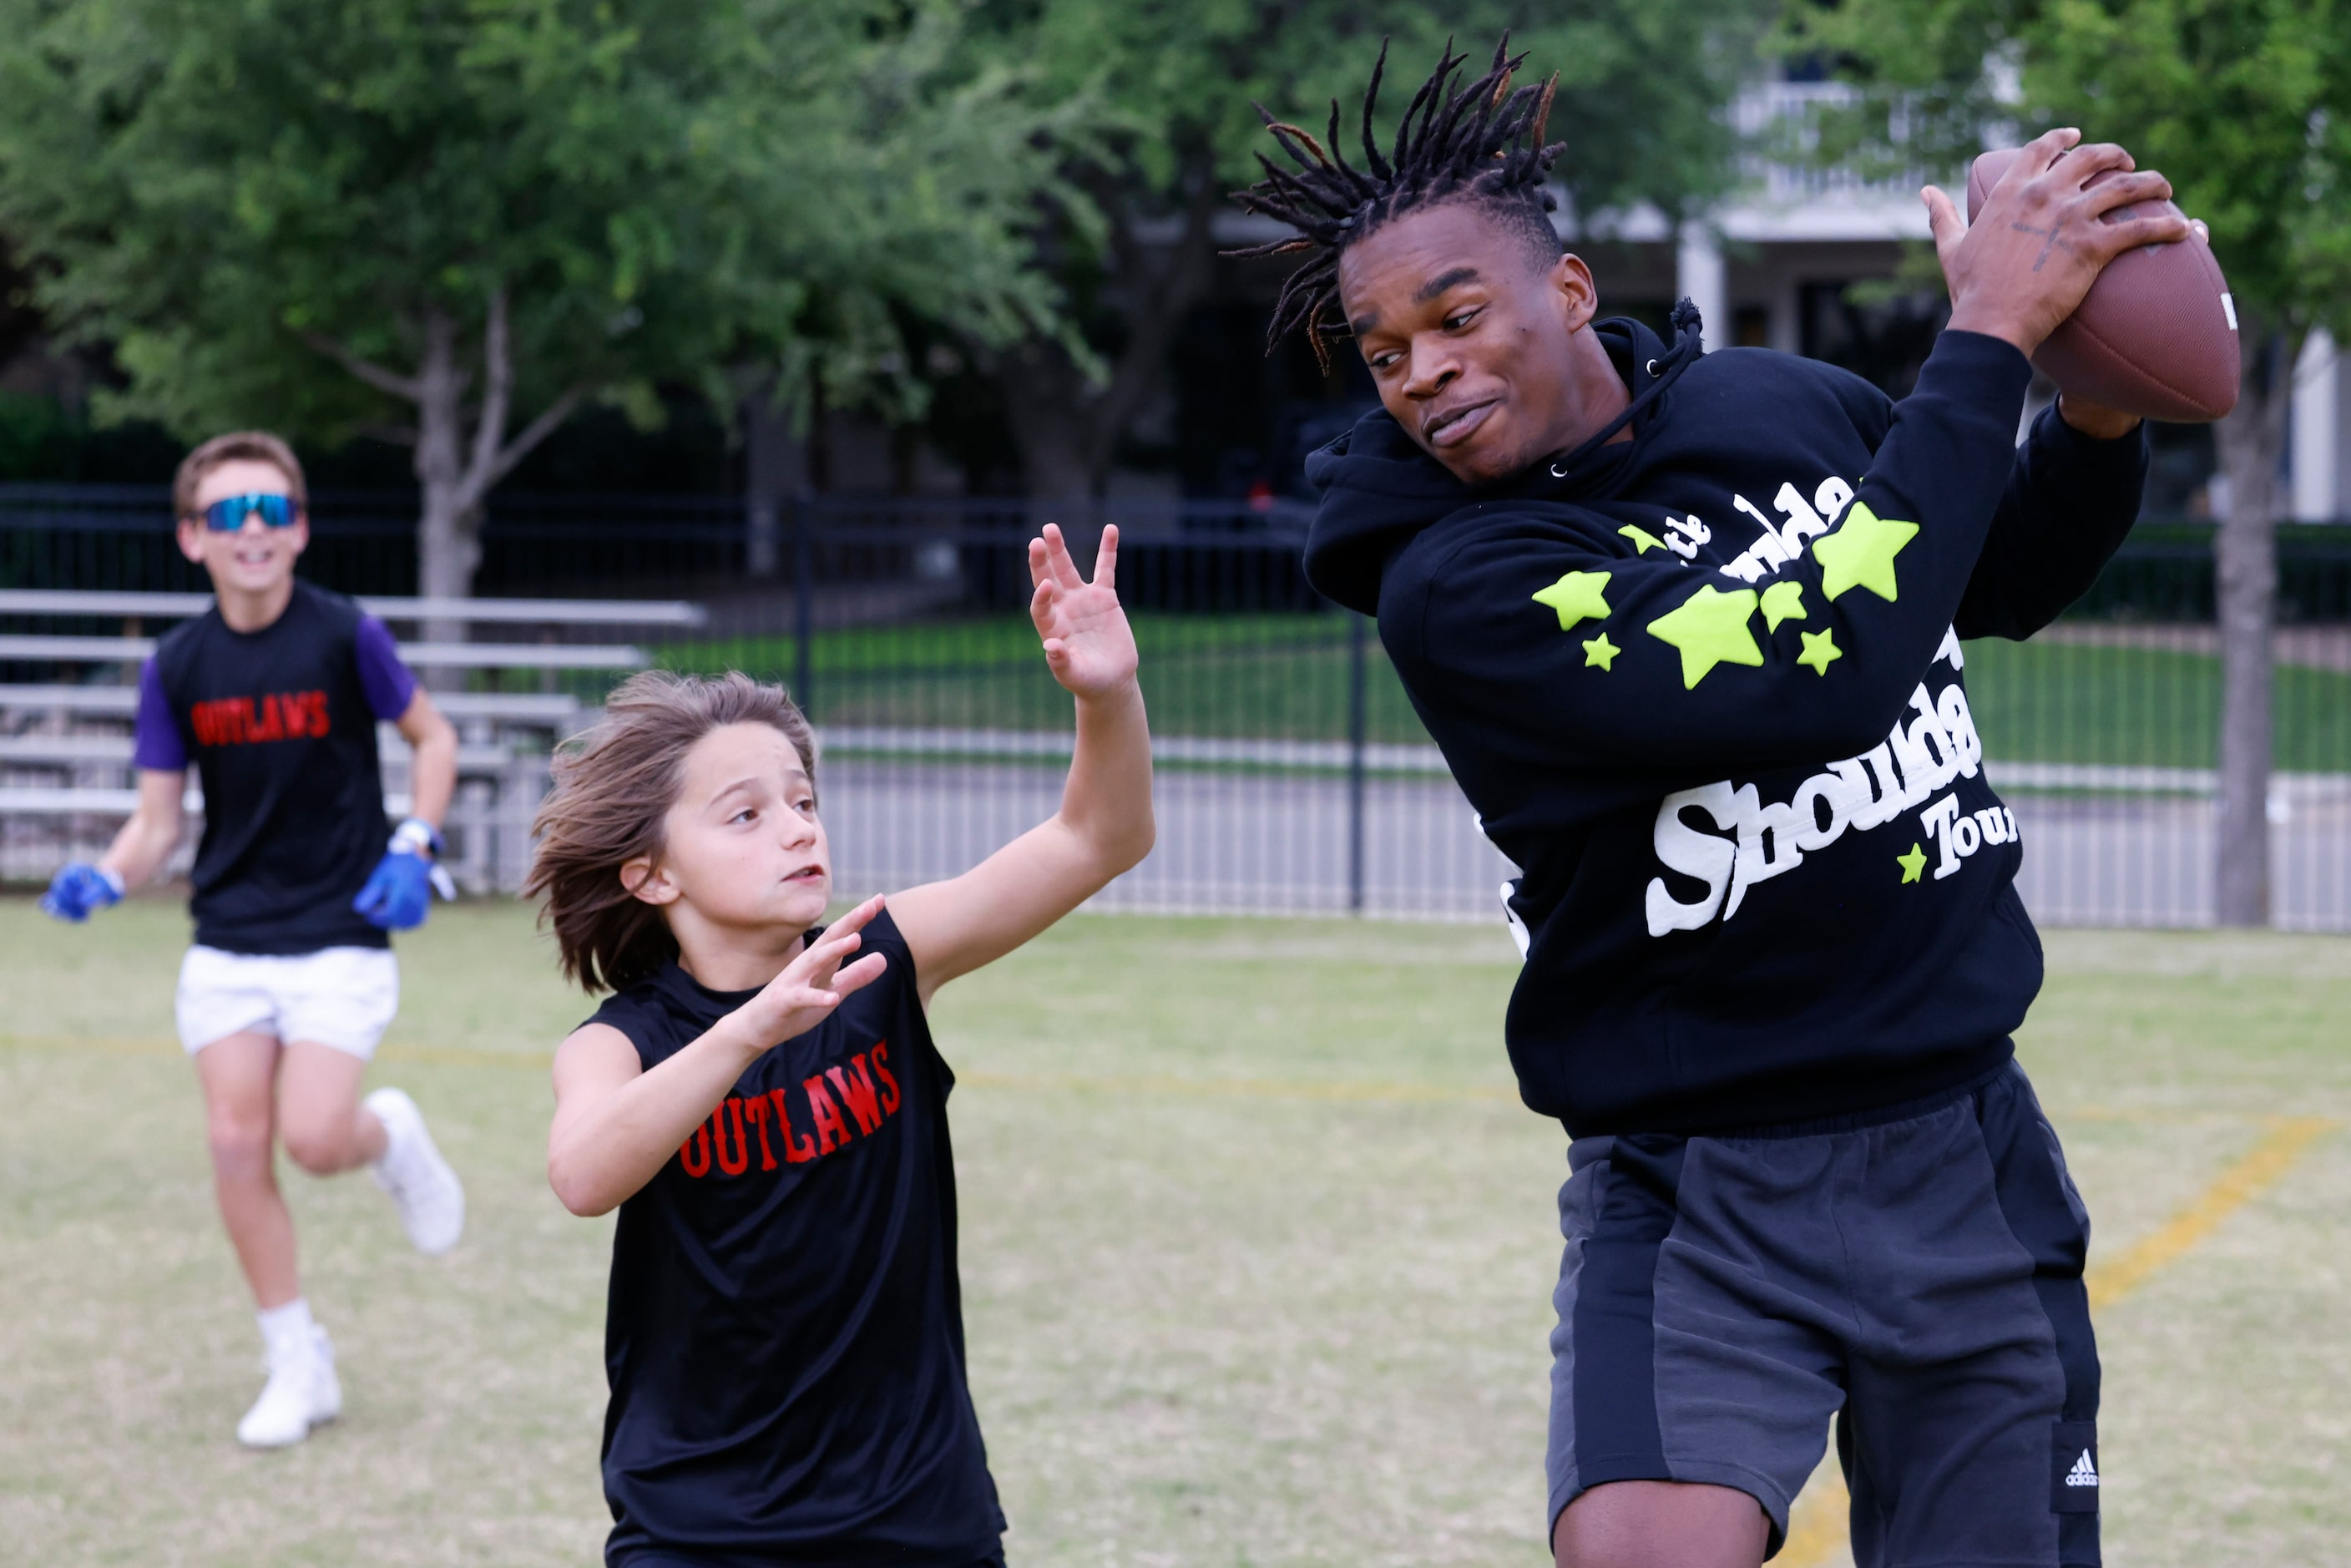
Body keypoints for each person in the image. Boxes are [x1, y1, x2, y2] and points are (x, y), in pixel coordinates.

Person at [1236, 38, 2190, 1568]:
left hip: (1956, 1142)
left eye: (1455, 315)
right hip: (1698, 1180)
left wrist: (2090, 411)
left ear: (1564, 289)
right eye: (1384, 347)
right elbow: (1811, 671)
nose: (1422, 370)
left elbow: (1992, 567)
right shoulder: (1460, 584)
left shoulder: (1776, 403)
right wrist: (1988, 336)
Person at [529, 523, 1152, 1568]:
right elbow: (585, 1174)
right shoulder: (619, 1046)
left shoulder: (883, 958)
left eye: (804, 802)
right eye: (745, 815)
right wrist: (750, 1029)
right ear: (651, 875)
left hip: (914, 1513)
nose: (797, 828)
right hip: (699, 1526)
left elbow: (1101, 838)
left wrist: (1105, 694)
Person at [41, 430, 468, 1449]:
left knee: (314, 1140)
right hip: (228, 940)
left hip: (338, 933)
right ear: (192, 538)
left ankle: (387, 1136)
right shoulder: (176, 665)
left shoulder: (343, 634)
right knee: (236, 1142)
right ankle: (296, 1360)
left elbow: (434, 738)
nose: (253, 531)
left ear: (301, 529)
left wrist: (415, 841)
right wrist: (106, 873)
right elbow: (156, 822)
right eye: (229, 514)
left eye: (272, 511)